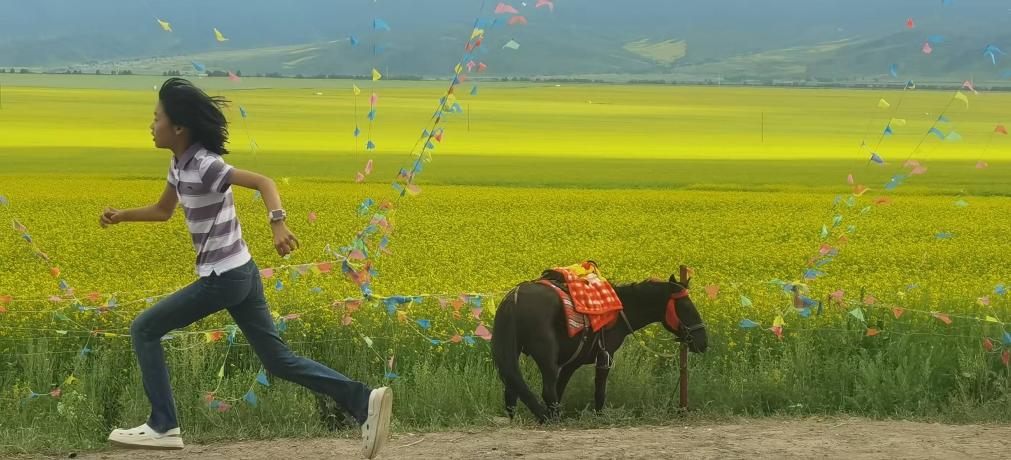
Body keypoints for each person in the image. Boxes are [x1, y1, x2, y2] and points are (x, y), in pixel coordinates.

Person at [100, 78, 392, 458]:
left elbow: (262, 182)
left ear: (179, 127)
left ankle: (162, 425)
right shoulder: (179, 165)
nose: (151, 125)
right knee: (279, 361)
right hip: (242, 272)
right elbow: (163, 210)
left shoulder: (205, 164)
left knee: (144, 328)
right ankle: (363, 400)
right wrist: (121, 216)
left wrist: (277, 223)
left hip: (223, 278)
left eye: (157, 118)